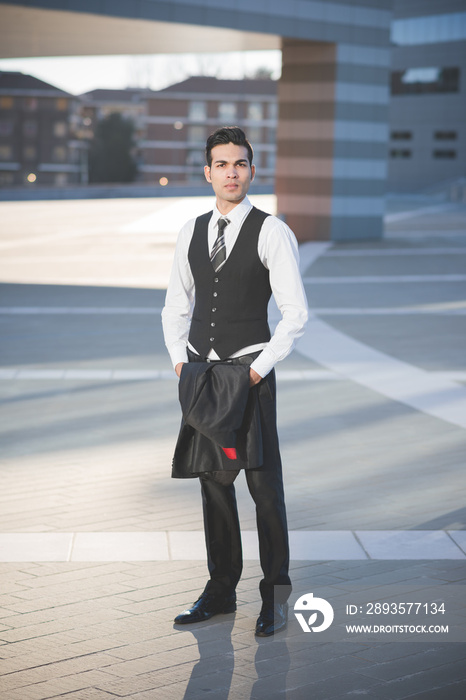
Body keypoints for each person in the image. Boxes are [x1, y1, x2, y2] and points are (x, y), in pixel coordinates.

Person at [161, 126, 308, 636]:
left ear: (251, 169)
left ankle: (276, 597)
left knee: (265, 489)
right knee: (213, 488)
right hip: (201, 374)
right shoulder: (191, 230)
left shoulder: (272, 232)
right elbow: (175, 307)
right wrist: (182, 364)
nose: (231, 172)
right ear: (208, 172)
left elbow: (295, 315)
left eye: (239, 164)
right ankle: (221, 591)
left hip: (249, 375)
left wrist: (254, 371)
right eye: (221, 164)